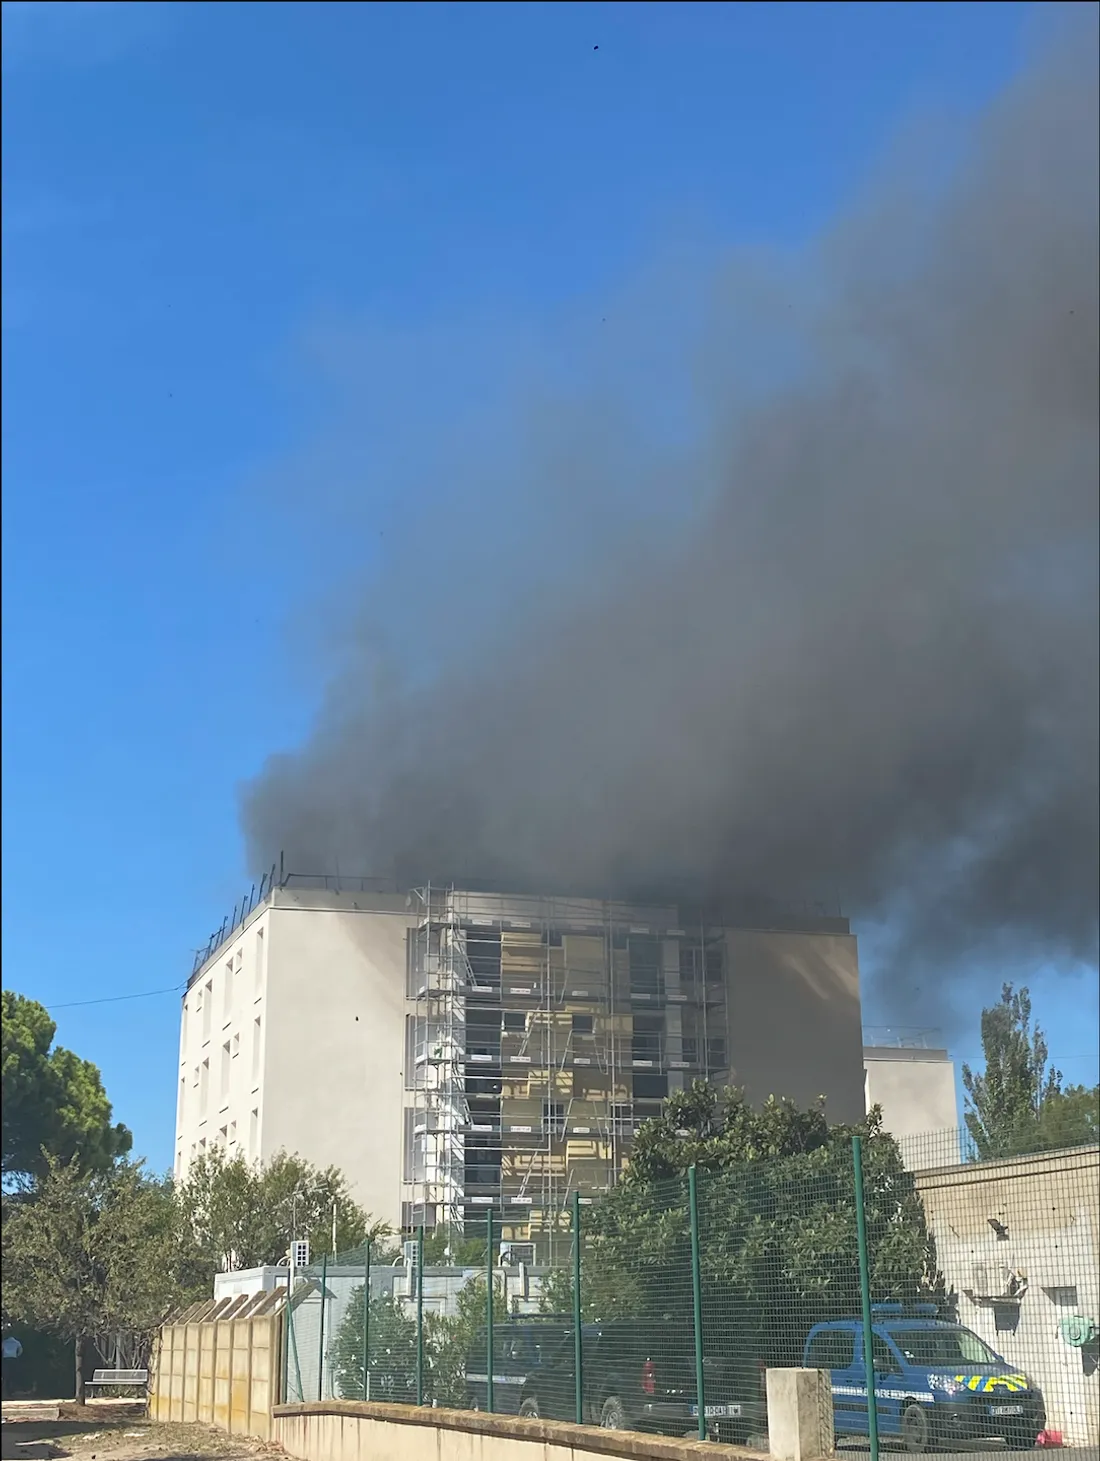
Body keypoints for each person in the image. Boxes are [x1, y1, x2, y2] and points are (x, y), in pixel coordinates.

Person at [2, 1332, 23, 1400]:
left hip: (6, 1358)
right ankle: (12, 1390)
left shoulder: (4, 1342)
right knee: (13, 1374)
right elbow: (20, 1350)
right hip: (13, 1358)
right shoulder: (16, 1342)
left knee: (6, 1375)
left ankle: (8, 1391)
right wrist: (17, 1355)